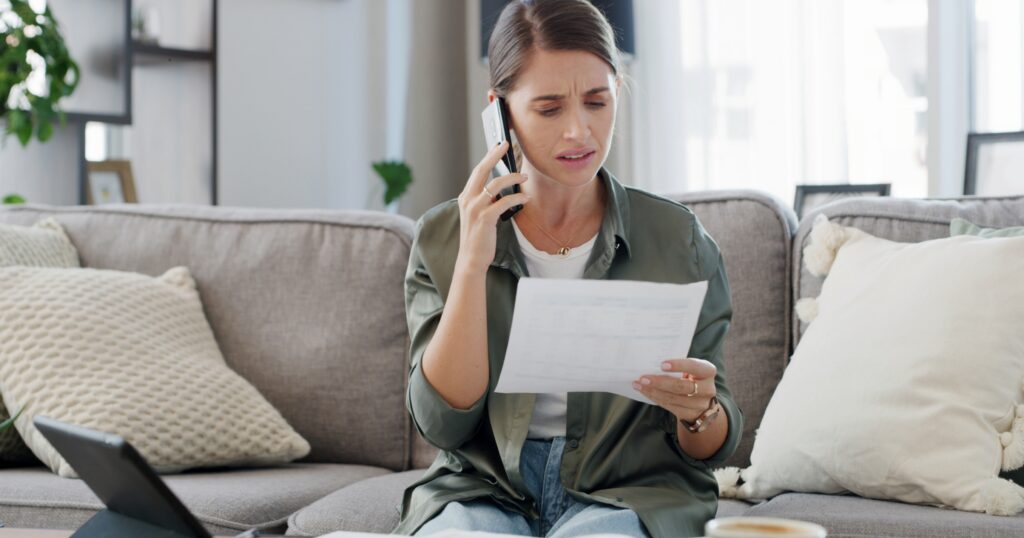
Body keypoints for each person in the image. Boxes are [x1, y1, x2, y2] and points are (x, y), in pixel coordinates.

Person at [395, 1, 743, 536]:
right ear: (500, 111)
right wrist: (471, 264)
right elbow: (442, 423)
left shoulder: (680, 242)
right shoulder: (444, 236)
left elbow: (709, 447)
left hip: (630, 493)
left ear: (617, 95)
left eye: (596, 102)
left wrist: (698, 411)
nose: (580, 132)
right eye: (550, 108)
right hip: (484, 490)